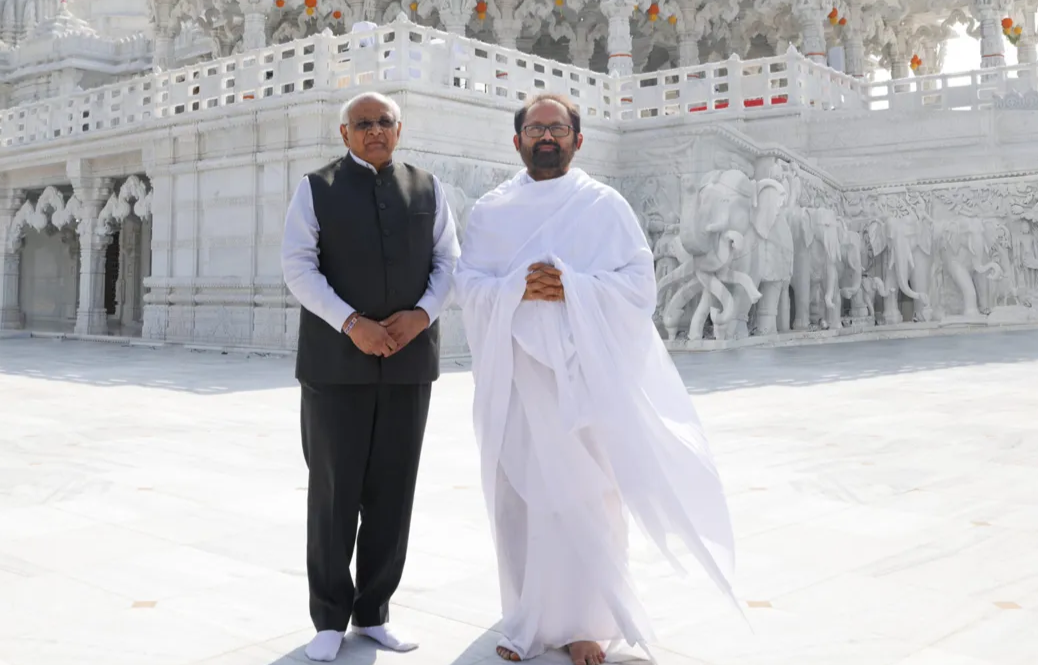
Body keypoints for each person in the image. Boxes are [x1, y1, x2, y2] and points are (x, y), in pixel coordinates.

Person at [453, 92, 738, 665]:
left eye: (557, 129)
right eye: (535, 129)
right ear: (517, 141)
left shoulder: (603, 206)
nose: (546, 137)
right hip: (517, 379)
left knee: (587, 496)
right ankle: (528, 617)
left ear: (577, 141)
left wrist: (572, 287)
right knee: (520, 499)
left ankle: (587, 622)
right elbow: (469, 285)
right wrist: (516, 288)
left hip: (581, 382)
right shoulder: (490, 211)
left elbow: (638, 286)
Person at [281, 91, 461, 662]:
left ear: (399, 129)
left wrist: (422, 315)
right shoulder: (317, 188)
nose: (375, 130)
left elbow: (449, 261)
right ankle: (329, 619)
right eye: (363, 123)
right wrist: (350, 322)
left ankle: (374, 612)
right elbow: (297, 266)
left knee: (393, 493)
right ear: (345, 134)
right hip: (336, 366)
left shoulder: (428, 188)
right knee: (334, 494)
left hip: (408, 364)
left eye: (385, 121)